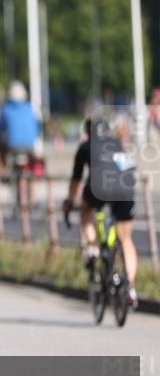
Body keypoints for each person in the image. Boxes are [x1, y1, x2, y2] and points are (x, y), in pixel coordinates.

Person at [63, 118, 138, 307]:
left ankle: (92, 248)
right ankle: (130, 286)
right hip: (125, 189)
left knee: (85, 210)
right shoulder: (117, 144)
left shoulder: (85, 147)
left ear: (88, 132)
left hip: (98, 189)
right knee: (126, 239)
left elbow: (76, 179)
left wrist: (69, 201)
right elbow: (130, 170)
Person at [0, 80, 41, 170]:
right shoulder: (30, 108)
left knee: (0, 147)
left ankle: (2, 169)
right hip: (30, 145)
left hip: (12, 146)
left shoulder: (6, 109)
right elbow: (37, 126)